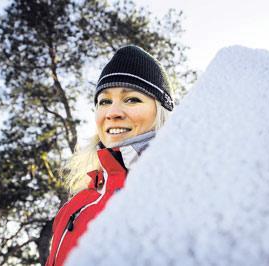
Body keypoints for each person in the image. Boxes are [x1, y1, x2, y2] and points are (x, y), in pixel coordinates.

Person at [45, 45, 174, 266]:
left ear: (160, 110)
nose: (112, 113)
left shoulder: (177, 188)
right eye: (104, 101)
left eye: (132, 99)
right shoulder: (75, 204)